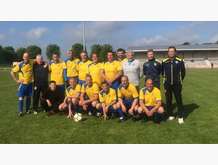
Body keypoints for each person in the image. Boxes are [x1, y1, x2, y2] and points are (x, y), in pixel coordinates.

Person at [162, 46, 186, 124]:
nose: (171, 53)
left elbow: (183, 73)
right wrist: (166, 81)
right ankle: (171, 115)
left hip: (177, 84)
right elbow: (163, 73)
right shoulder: (164, 61)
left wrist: (179, 80)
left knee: (179, 100)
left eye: (172, 51)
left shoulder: (180, 61)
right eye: (169, 51)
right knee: (168, 100)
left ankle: (180, 116)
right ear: (168, 53)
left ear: (175, 52)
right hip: (167, 84)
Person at [11, 52, 33, 116]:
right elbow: (12, 72)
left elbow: (38, 60)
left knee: (29, 97)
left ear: (29, 57)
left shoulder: (31, 62)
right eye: (25, 57)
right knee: (21, 97)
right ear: (23, 57)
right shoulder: (20, 65)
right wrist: (16, 80)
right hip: (23, 84)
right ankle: (20, 111)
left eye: (27, 56)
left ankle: (27, 110)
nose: (26, 58)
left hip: (30, 84)